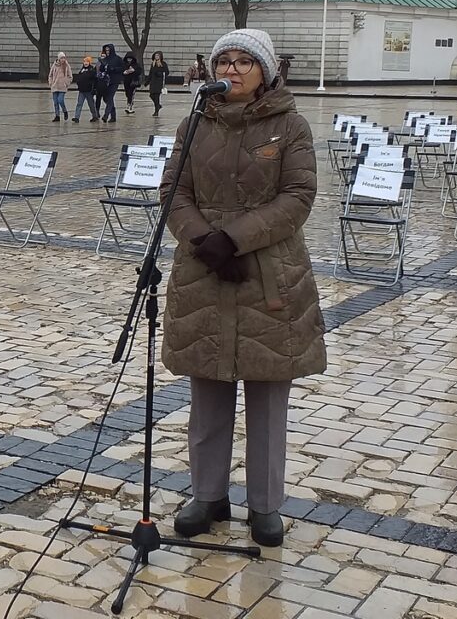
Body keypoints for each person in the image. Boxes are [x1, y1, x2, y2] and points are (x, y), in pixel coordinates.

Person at [161, 28, 326, 549]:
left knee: (268, 395)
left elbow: (298, 195)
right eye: (223, 61)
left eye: (243, 62)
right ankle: (207, 495)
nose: (230, 70)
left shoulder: (289, 125)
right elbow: (174, 189)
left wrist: (234, 238)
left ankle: (265, 504)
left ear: (266, 71)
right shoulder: (195, 123)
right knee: (207, 390)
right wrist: (203, 239)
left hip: (269, 274)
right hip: (204, 270)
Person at [97, 43, 124, 123]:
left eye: (108, 50)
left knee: (110, 97)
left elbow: (122, 68)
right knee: (107, 99)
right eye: (106, 50)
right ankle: (113, 115)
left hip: (114, 81)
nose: (107, 52)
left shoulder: (117, 59)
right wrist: (102, 67)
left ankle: (106, 115)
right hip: (105, 81)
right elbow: (101, 69)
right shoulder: (105, 59)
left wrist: (114, 69)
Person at [48, 51, 72, 122]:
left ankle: (65, 111)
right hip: (55, 86)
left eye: (64, 58)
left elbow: (70, 76)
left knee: (60, 100)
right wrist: (51, 83)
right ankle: (57, 115)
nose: (63, 59)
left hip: (62, 87)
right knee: (55, 102)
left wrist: (66, 83)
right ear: (58, 58)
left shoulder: (66, 66)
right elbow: (50, 75)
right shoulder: (54, 65)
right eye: (61, 58)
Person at [73, 56, 97, 123]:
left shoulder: (91, 70)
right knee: (79, 104)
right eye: (84, 61)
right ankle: (76, 117)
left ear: (89, 62)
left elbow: (94, 79)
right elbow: (79, 78)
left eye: (87, 61)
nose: (85, 63)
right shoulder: (82, 70)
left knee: (91, 104)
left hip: (89, 91)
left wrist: (93, 89)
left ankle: (95, 116)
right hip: (81, 90)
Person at [147, 51, 170, 117]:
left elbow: (167, 72)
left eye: (158, 55)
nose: (156, 57)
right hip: (153, 82)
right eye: (155, 55)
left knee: (157, 97)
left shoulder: (163, 64)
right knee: (151, 95)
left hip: (159, 83)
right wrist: (147, 82)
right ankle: (158, 105)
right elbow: (150, 73)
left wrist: (160, 74)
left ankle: (156, 111)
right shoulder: (153, 64)